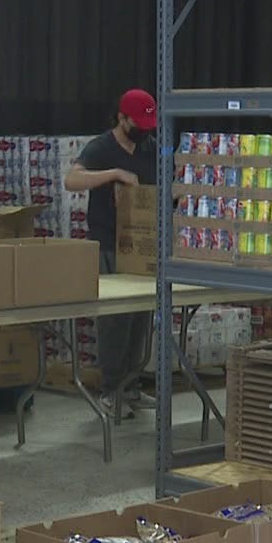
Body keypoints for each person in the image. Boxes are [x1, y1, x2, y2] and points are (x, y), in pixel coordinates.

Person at [66, 89, 159, 416]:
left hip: (142, 247)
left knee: (140, 317)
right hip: (108, 244)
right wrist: (115, 175)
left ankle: (131, 386)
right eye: (139, 122)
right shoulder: (102, 147)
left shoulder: (150, 147)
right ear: (121, 118)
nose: (145, 129)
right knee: (115, 320)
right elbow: (72, 180)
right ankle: (111, 391)